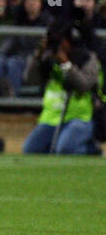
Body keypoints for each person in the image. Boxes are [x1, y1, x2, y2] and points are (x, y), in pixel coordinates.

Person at [22, 21, 102, 155]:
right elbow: (30, 80)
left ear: (69, 40)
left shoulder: (86, 58)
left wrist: (66, 64)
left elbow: (84, 85)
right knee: (30, 149)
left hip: (79, 118)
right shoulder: (47, 58)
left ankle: (92, 150)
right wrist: (38, 55)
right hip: (51, 118)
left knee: (65, 150)